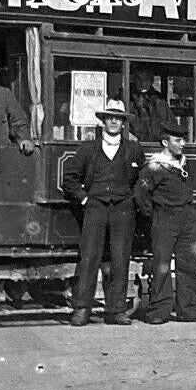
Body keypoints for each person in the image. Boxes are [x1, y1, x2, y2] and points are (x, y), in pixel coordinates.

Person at [62, 98, 146, 326]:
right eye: (109, 118)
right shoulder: (88, 149)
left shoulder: (134, 149)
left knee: (120, 258)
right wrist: (85, 199)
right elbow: (69, 179)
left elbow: (143, 180)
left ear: (123, 122)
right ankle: (82, 309)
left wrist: (132, 200)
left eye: (117, 118)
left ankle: (116, 310)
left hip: (123, 210)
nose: (113, 122)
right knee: (89, 258)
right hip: (95, 208)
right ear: (103, 121)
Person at [134, 121, 196, 324]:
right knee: (161, 266)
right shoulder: (154, 166)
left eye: (183, 139)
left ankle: (188, 311)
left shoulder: (184, 162)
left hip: (187, 219)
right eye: (177, 140)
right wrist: (155, 215)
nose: (182, 143)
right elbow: (140, 194)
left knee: (189, 266)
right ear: (165, 142)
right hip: (164, 218)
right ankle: (158, 312)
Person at [129, 70, 171, 146]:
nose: (142, 84)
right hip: (134, 147)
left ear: (151, 81)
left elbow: (170, 125)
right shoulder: (127, 100)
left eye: (145, 80)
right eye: (139, 80)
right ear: (135, 81)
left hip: (157, 146)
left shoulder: (160, 101)